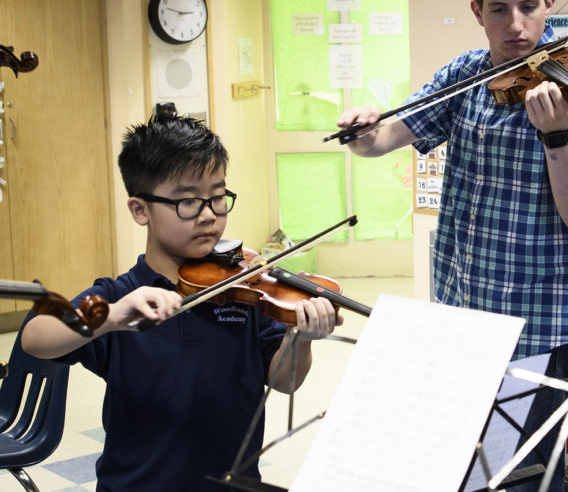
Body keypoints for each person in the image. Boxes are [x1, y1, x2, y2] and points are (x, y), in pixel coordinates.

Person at [337, 0, 568, 489]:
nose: (516, 24)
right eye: (499, 9)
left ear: (549, 2)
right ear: (477, 12)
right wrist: (362, 131)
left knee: (521, 476)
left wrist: (557, 137)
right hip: (460, 315)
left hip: (537, 323)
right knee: (467, 468)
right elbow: (387, 137)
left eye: (528, 7)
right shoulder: (465, 75)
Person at [20, 113, 340, 491]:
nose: (208, 215)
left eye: (218, 197)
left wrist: (300, 339)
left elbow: (285, 381)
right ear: (140, 210)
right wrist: (111, 318)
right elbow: (35, 337)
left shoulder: (245, 287)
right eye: (188, 202)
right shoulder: (119, 296)